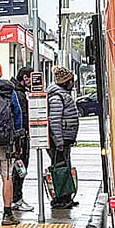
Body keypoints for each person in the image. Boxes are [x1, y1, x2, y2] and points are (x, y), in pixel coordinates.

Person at [0, 59, 24, 225]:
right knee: (7, 176)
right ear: (0, 73)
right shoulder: (10, 91)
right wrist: (16, 136)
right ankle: (7, 213)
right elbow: (18, 115)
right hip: (7, 142)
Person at [47, 66, 82, 208]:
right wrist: (59, 141)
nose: (73, 84)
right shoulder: (57, 97)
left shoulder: (61, 95)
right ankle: (61, 198)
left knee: (63, 167)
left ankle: (66, 197)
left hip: (64, 139)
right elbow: (54, 120)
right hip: (59, 141)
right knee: (60, 169)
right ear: (66, 82)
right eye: (72, 81)